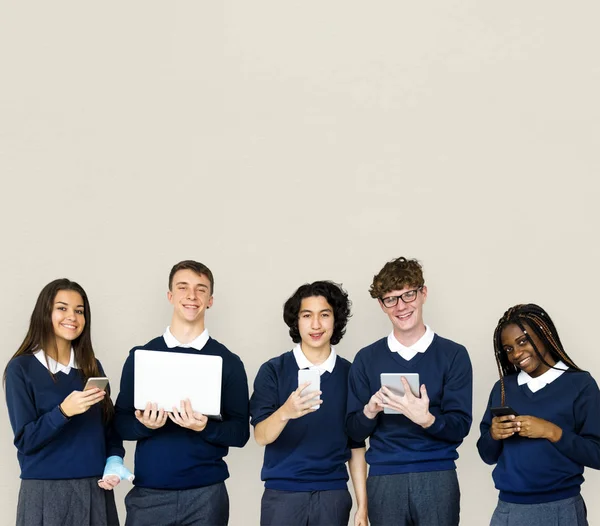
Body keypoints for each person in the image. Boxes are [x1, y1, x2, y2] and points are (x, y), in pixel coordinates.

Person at [114, 260, 250, 526]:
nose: (192, 296)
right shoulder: (142, 356)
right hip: (149, 493)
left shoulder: (229, 362)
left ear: (210, 300)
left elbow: (240, 434)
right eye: (183, 287)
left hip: (206, 495)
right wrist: (144, 425)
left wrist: (204, 428)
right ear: (170, 296)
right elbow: (120, 424)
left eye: (201, 289)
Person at [346, 257, 472, 526]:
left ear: (423, 293)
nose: (401, 306)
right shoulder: (366, 359)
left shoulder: (453, 355)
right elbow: (353, 433)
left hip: (437, 475)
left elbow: (460, 427)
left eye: (408, 295)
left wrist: (427, 419)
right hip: (384, 478)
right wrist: (369, 411)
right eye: (391, 299)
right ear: (381, 305)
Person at [4, 278, 132, 526]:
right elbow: (25, 440)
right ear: (45, 313)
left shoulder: (92, 368)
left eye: (79, 311)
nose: (72, 316)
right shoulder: (22, 368)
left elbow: (109, 429)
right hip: (45, 492)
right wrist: (63, 412)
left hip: (95, 490)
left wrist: (114, 460)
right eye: (62, 308)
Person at [250, 281, 367, 526]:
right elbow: (261, 436)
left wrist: (362, 507)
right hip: (282, 494)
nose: (316, 325)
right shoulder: (274, 370)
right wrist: (286, 412)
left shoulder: (351, 374)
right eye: (307, 315)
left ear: (336, 320)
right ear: (297, 321)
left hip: (333, 494)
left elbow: (356, 445)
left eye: (324, 315)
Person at [477, 303, 600, 525]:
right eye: (508, 349)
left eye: (522, 341)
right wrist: (493, 435)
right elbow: (487, 456)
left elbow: (597, 454)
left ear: (544, 333)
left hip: (562, 508)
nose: (516, 354)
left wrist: (552, 432)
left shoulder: (580, 385)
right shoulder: (503, 388)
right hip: (509, 510)